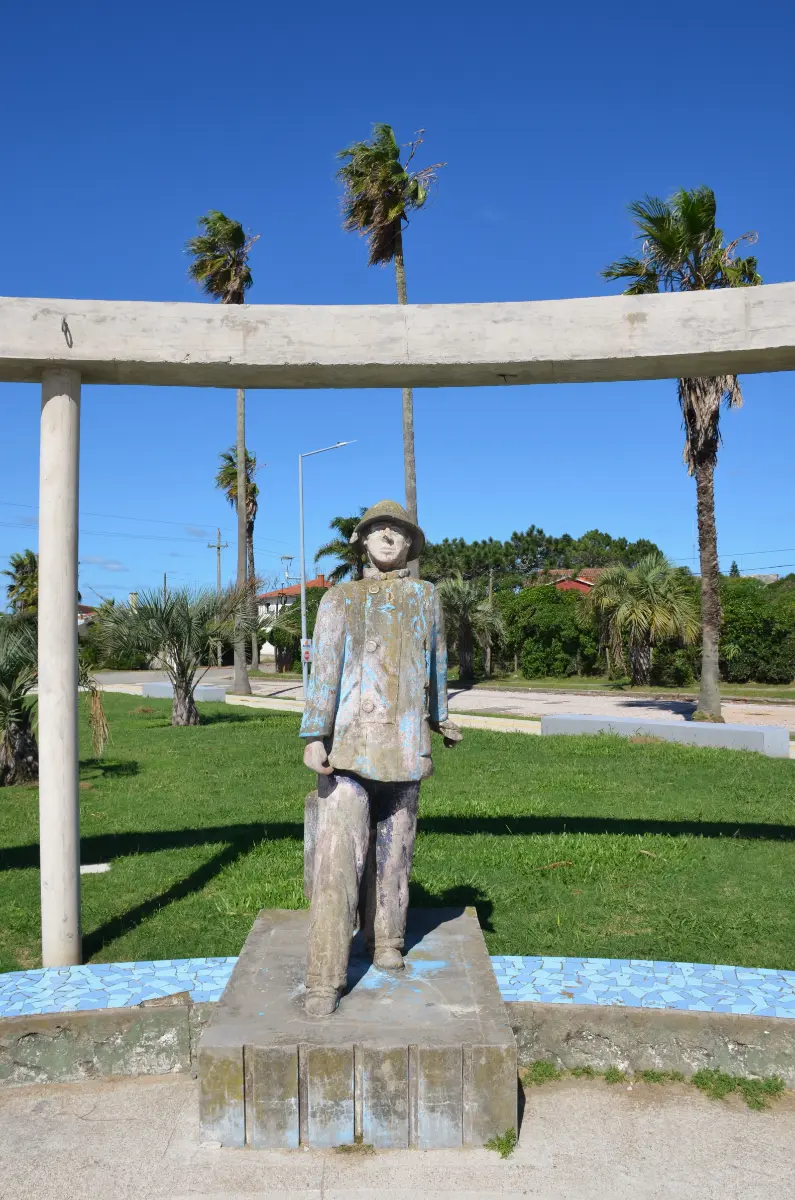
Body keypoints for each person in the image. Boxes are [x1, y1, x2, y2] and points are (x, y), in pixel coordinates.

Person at [299, 500, 461, 1016]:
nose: (389, 536)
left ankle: (386, 938)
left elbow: (434, 662)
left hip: (408, 744)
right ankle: (324, 975)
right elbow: (324, 669)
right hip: (350, 747)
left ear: (411, 544)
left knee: (397, 851)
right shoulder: (341, 599)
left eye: (398, 531)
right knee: (337, 860)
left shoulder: (426, 598)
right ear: (363, 541)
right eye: (379, 529)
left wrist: (439, 716)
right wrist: (313, 734)